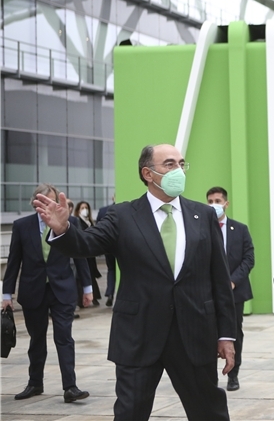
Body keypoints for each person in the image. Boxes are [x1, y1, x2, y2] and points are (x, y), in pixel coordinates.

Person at [33, 144, 236, 421]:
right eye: (169, 164)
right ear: (148, 173)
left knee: (209, 412)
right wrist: (64, 229)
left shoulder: (203, 216)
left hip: (194, 334)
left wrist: (226, 334)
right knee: (130, 413)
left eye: (181, 163)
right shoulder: (122, 215)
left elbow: (219, 280)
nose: (178, 170)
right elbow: (87, 243)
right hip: (138, 335)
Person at [2, 184, 93, 403]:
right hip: (33, 290)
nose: (48, 205)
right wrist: (6, 295)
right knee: (37, 339)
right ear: (35, 202)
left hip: (62, 289)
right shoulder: (22, 226)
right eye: (43, 201)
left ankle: (70, 387)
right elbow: (13, 262)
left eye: (52, 201)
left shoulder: (70, 222)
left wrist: (88, 288)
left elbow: (80, 254)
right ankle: (35, 383)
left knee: (64, 337)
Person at [207, 186, 255, 392]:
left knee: (234, 333)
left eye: (217, 201)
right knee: (208, 333)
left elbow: (248, 259)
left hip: (235, 293)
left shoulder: (240, 229)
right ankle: (208, 375)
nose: (214, 205)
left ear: (226, 204)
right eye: (210, 201)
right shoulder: (201, 228)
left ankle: (233, 374)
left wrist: (232, 281)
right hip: (208, 293)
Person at [73, 201, 102, 307]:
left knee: (90, 274)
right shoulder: (77, 221)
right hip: (84, 252)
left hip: (90, 254)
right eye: (82, 208)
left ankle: (93, 296)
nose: (85, 210)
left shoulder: (90, 221)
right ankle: (83, 299)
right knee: (84, 275)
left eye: (86, 207)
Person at [96, 195, 116, 307]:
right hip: (122, 245)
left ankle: (110, 293)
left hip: (108, 246)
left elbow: (99, 227)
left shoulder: (103, 210)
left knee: (111, 269)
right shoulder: (126, 209)